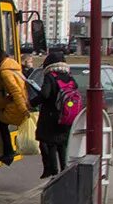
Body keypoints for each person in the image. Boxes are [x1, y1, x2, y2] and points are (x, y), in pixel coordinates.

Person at [29, 50, 78, 178]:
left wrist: (31, 103)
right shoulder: (69, 77)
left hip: (50, 116)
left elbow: (45, 94)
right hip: (67, 116)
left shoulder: (50, 76)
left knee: (49, 143)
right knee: (62, 145)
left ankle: (53, 172)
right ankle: (64, 171)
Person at [0, 49, 30, 165]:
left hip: (18, 104)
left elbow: (16, 91)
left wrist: (23, 109)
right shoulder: (14, 68)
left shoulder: (5, 72)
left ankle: (8, 152)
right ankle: (8, 152)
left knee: (2, 124)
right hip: (22, 102)